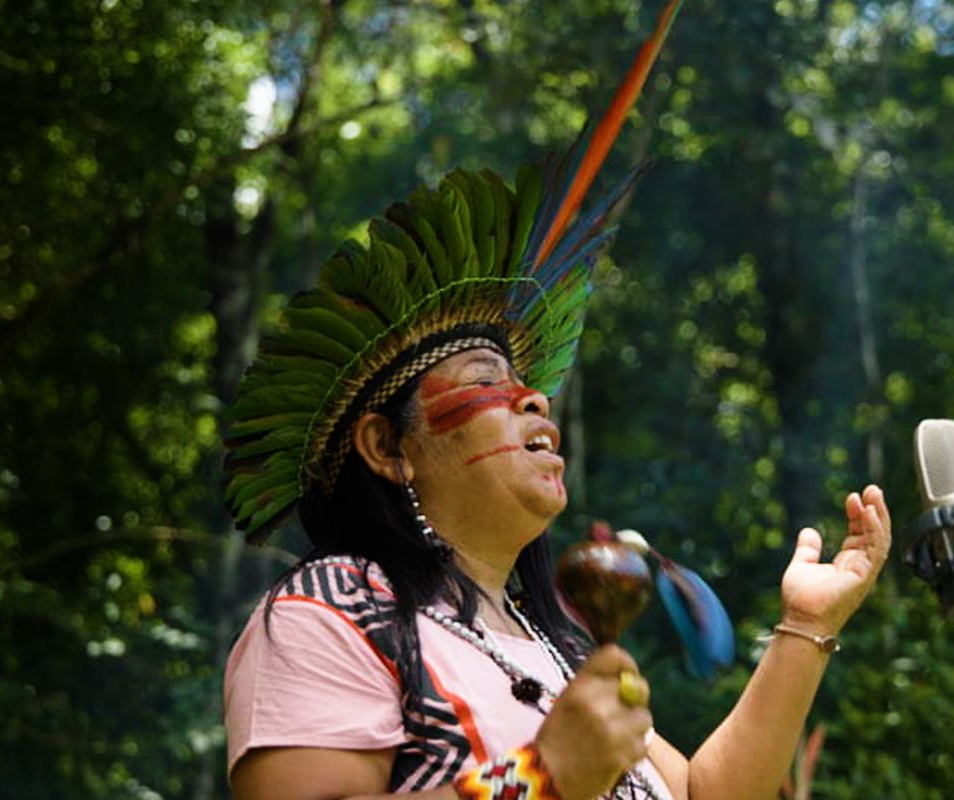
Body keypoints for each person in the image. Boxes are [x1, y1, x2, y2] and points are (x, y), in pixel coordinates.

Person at [218, 6, 892, 798]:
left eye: (530, 386)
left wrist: (808, 625)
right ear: (385, 446)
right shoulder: (329, 613)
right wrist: (547, 773)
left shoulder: (557, 639)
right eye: (482, 379)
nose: (534, 400)